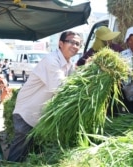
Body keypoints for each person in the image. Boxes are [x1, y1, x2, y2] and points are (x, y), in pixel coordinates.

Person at [7, 31, 82, 162]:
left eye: (78, 44)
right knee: (18, 154)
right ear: (60, 43)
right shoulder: (51, 61)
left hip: (38, 116)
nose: (75, 46)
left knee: (28, 154)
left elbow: (73, 81)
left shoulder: (68, 64)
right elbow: (61, 88)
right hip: (27, 113)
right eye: (71, 42)